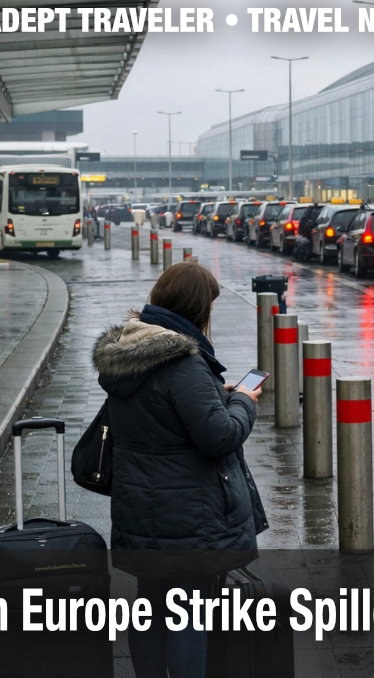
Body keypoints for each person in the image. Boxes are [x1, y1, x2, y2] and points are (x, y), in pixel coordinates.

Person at [93, 262, 266, 678]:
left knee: (150, 607)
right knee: (188, 613)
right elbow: (219, 436)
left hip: (139, 510)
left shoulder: (130, 353)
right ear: (197, 308)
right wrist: (243, 401)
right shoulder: (183, 362)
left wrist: (213, 393)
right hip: (187, 516)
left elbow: (161, 410)